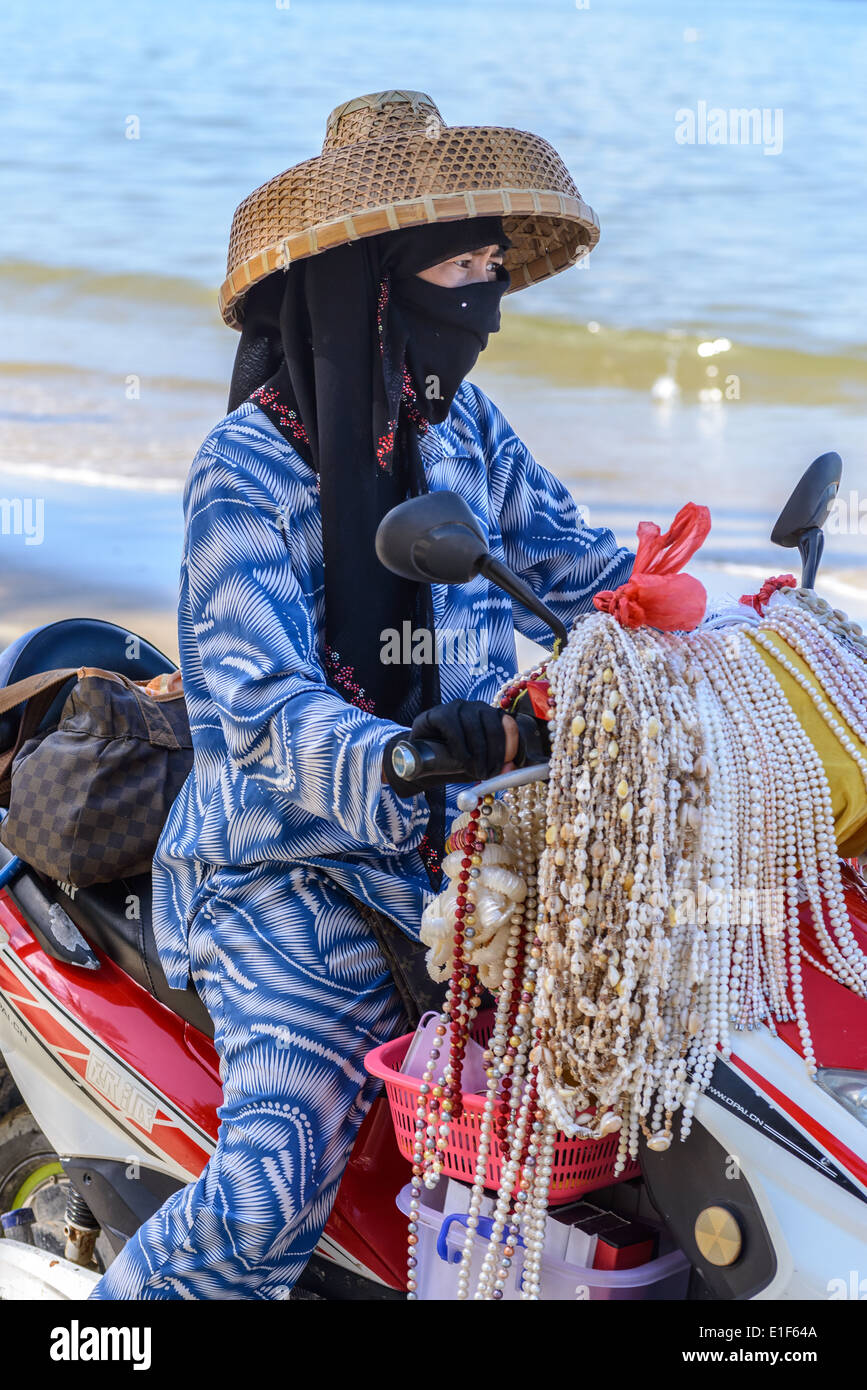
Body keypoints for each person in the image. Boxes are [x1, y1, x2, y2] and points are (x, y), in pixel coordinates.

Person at [89, 89, 633, 1300]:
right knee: (270, 1193)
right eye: (459, 267)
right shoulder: (245, 474)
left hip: (475, 859)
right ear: (374, 287)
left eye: (493, 266)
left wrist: (729, 617)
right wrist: (399, 758)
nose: (481, 305)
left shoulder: (464, 431)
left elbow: (587, 573)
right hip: (289, 875)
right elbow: (262, 705)